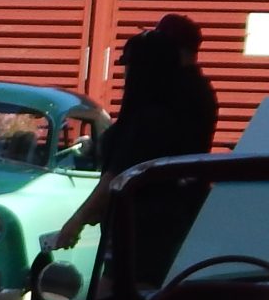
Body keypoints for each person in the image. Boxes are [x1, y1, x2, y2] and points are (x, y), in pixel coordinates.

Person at [42, 18, 217, 256]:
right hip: (174, 215)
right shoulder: (200, 92)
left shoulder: (159, 108)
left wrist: (76, 221)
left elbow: (119, 172)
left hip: (145, 226)